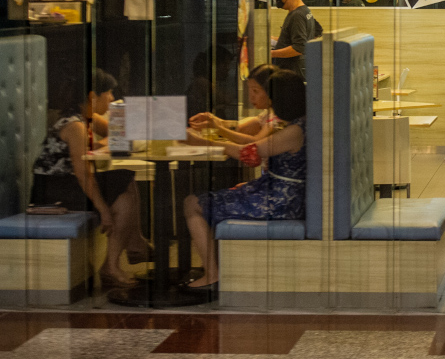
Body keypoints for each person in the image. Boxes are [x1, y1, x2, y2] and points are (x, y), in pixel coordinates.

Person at [181, 70, 308, 290]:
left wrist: (198, 142)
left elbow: (248, 155)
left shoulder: (294, 130)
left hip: (281, 202)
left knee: (192, 203)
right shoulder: (299, 123)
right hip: (281, 193)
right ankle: (219, 268)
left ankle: (212, 275)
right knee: (215, 198)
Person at [31, 69, 151, 288]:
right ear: (92, 97)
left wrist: (118, 120)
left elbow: (120, 136)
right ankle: (123, 256)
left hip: (67, 184)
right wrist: (103, 210)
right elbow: (83, 173)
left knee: (126, 181)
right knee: (124, 188)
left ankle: (125, 252)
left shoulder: (86, 118)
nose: (113, 99)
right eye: (109, 93)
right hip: (54, 192)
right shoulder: (74, 125)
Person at [189, 64, 280, 146]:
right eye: (250, 90)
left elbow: (255, 143)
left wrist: (218, 128)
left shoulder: (278, 119)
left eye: (255, 91)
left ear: (271, 91)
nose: (251, 96)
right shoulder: (267, 114)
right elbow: (238, 127)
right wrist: (211, 119)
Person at [270, 0, 323, 76]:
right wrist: (276, 39)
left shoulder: (297, 15)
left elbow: (299, 47)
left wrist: (272, 53)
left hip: (291, 72)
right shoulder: (305, 11)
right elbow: (313, 33)